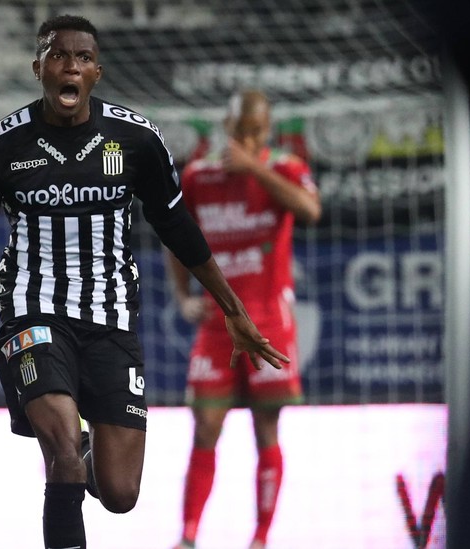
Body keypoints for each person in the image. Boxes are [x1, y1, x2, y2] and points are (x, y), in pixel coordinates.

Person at [0, 16, 289, 549]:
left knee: (120, 493)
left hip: (111, 321)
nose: (70, 64)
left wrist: (232, 308)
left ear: (97, 71)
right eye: (57, 55)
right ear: (38, 69)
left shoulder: (136, 141)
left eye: (82, 57)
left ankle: (94, 450)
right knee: (64, 451)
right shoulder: (0, 148)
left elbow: (178, 229)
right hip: (34, 315)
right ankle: (75, 458)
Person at [167, 90, 321, 549]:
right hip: (217, 323)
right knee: (206, 425)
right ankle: (189, 536)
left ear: (266, 130)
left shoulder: (284, 169)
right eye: (242, 132)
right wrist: (181, 296)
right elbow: (176, 237)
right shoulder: (199, 176)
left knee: (266, 427)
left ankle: (260, 539)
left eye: (257, 132)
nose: (249, 140)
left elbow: (311, 211)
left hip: (270, 319)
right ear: (227, 128)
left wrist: (255, 168)